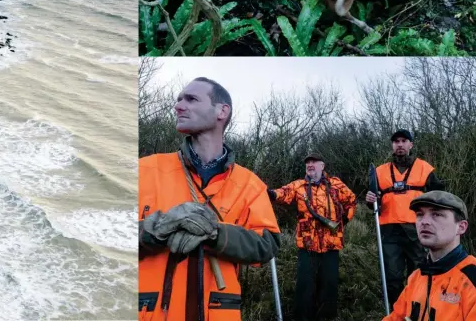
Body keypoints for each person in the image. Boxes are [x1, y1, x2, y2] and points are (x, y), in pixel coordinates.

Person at [139, 77, 281, 320]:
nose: (178, 106)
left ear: (221, 111)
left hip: (217, 311)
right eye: (179, 99)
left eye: (191, 99)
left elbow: (267, 245)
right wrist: (157, 229)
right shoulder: (145, 170)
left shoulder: (250, 184)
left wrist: (216, 234)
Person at [268, 152, 356, 320]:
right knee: (305, 286)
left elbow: (351, 201)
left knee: (329, 285)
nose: (310, 164)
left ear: (322, 166)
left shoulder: (335, 184)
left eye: (314, 162)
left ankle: (326, 317)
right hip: (307, 245)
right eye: (308, 162)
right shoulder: (299, 186)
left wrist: (344, 220)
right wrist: (270, 194)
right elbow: (283, 193)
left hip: (331, 245)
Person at [366, 129, 444, 307]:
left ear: (411, 145)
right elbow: (373, 201)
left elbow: (439, 196)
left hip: (417, 229)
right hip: (389, 231)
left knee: (418, 273)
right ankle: (397, 311)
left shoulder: (425, 168)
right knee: (392, 276)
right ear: (392, 145)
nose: (399, 144)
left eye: (403, 141)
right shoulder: (379, 171)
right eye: (396, 141)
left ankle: (417, 310)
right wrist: (370, 200)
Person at [383, 191, 476, 320]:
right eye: (420, 215)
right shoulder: (417, 277)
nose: (424, 221)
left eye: (437, 214)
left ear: (461, 227)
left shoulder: (475, 279)